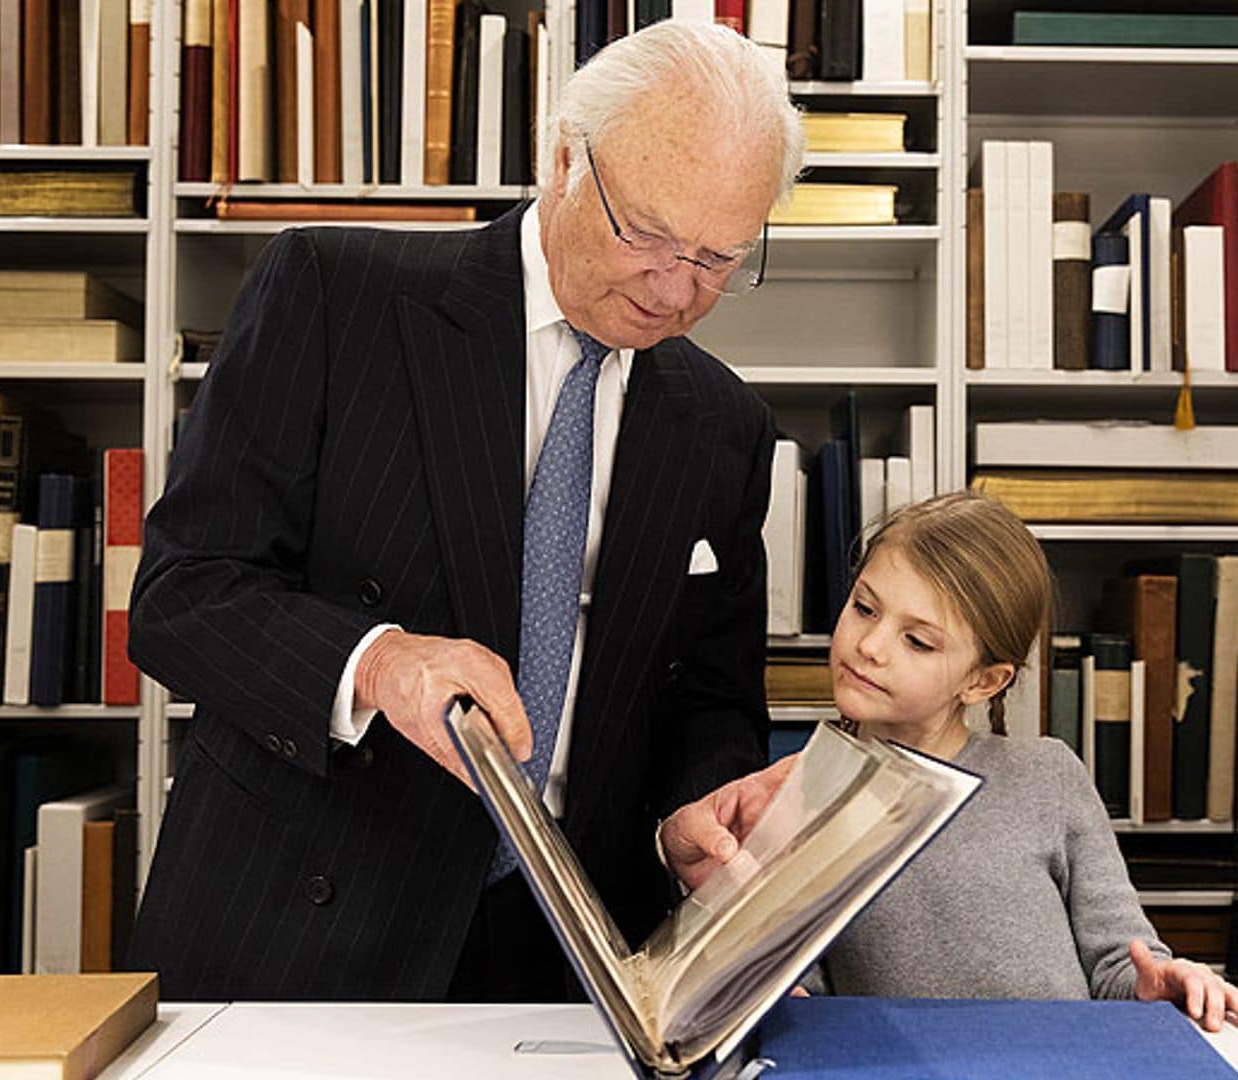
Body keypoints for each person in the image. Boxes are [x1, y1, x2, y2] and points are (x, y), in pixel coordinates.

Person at [125, 21, 807, 1002]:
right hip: (303, 931)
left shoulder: (724, 424)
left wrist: (694, 818)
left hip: (572, 954)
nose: (675, 289)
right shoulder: (333, 294)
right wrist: (380, 662)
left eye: (719, 258)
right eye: (648, 234)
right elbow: (183, 598)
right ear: (564, 157)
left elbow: (708, 698)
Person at [793, 492, 1238, 1033]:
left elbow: (1121, 965)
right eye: (864, 608)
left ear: (983, 681)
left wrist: (1162, 980)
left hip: (1057, 1061)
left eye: (917, 641)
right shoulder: (800, 793)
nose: (871, 646)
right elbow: (806, 985)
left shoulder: (1047, 776)